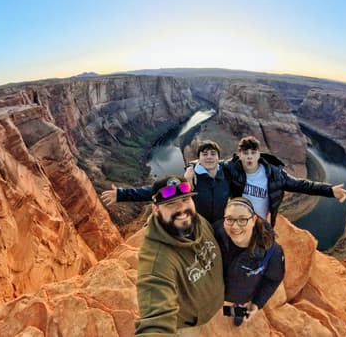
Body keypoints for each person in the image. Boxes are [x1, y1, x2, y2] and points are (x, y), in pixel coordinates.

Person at [135, 175, 224, 336]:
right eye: (170, 204)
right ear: (156, 209)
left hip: (217, 309)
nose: (181, 209)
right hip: (188, 327)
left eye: (185, 200)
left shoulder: (197, 220)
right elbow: (156, 318)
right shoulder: (157, 258)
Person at [222, 136, 346, 227]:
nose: (249, 156)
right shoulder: (230, 169)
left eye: (253, 152)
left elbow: (301, 185)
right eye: (245, 153)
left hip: (262, 224)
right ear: (240, 154)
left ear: (258, 154)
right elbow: (209, 167)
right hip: (239, 222)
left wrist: (330, 190)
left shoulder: (275, 174)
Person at [101, 140, 229, 224]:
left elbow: (237, 161)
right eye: (205, 154)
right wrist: (121, 194)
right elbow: (159, 191)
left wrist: (190, 165)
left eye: (213, 154)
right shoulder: (190, 181)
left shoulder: (226, 174)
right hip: (199, 228)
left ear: (219, 158)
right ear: (199, 158)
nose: (209, 157)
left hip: (221, 227)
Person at [214, 197, 285, 327]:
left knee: (239, 306)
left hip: (241, 296)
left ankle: (237, 314)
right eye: (229, 219)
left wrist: (257, 303)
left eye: (242, 219)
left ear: (253, 220)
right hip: (215, 292)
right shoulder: (215, 234)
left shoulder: (271, 251)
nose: (235, 226)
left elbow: (273, 279)